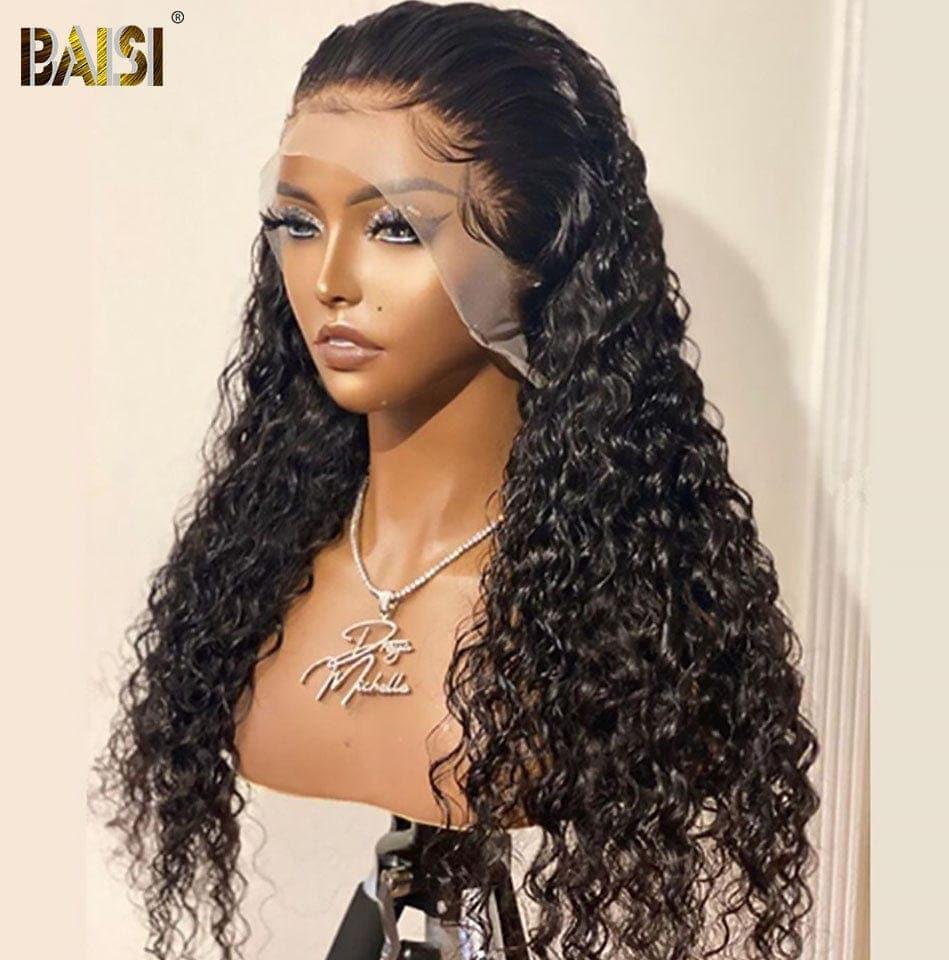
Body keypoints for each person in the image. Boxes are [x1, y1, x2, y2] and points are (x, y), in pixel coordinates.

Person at [89, 4, 821, 959]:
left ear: (535, 249)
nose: (328, 278)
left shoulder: (614, 621)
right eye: (298, 223)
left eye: (395, 227)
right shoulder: (253, 579)